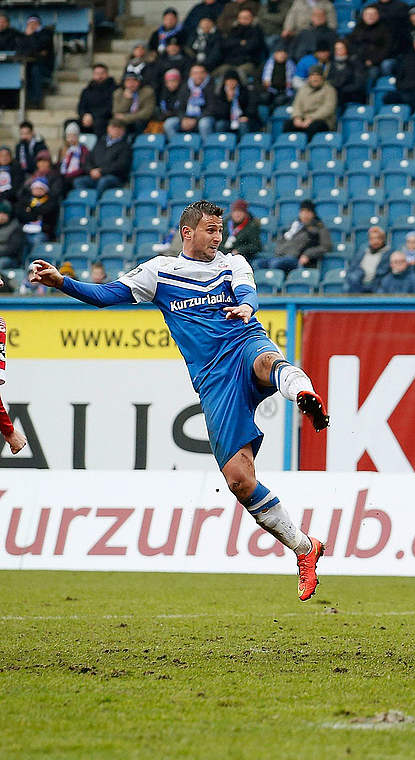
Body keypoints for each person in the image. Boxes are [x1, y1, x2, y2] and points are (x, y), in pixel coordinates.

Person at [28, 201, 329, 600]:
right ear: (187, 232)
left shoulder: (233, 263)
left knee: (266, 360)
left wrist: (246, 307)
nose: (217, 237)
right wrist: (61, 282)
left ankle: (303, 392)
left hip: (242, 342)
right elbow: (104, 295)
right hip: (213, 380)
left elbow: (247, 291)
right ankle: (305, 549)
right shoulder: (160, 272)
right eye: (210, 230)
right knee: (240, 481)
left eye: (220, 230)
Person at [262, 200, 330, 271]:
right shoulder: (295, 226)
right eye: (302, 211)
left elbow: (326, 246)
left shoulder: (319, 228)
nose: (304, 215)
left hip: (297, 259)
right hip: (281, 256)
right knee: (258, 263)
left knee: (275, 264)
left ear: (313, 214)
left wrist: (308, 254)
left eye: (308, 212)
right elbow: (282, 241)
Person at [74, 122, 132, 194]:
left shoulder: (125, 146)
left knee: (104, 181)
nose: (115, 130)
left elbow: (120, 166)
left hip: (114, 177)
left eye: (118, 128)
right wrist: (91, 171)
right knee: (79, 181)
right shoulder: (100, 143)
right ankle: (84, 202)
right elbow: (88, 159)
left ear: (123, 131)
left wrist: (101, 171)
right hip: (95, 175)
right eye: (113, 127)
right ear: (108, 128)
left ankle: (96, 203)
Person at [78, 64, 118, 136]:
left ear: (107, 74)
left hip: (105, 118)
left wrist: (93, 116)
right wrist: (84, 115)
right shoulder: (87, 90)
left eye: (102, 73)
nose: (100, 76)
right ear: (93, 75)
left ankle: (99, 146)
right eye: (97, 74)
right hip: (87, 118)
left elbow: (110, 107)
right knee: (70, 124)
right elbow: (81, 107)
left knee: (99, 123)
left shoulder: (114, 89)